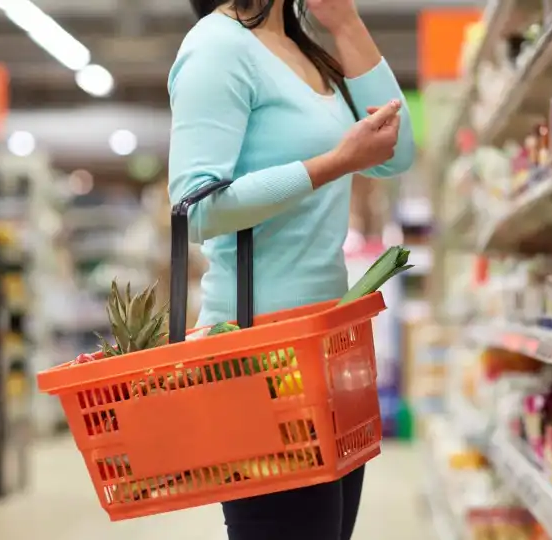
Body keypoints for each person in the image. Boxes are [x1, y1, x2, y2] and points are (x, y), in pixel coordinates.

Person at [167, 0, 415, 538]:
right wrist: (335, 164)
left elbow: (398, 151)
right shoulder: (217, 47)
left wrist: (345, 21)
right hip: (259, 356)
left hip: (327, 345)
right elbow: (197, 209)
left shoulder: (306, 50)